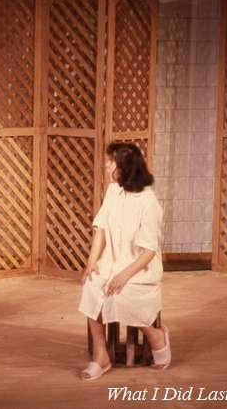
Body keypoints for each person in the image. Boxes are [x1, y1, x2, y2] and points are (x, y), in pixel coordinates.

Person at [78, 142, 170, 380]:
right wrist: (91, 261)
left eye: (111, 162)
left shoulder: (148, 202)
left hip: (139, 265)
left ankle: (156, 336)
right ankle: (101, 355)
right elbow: (101, 228)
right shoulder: (113, 191)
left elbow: (149, 250)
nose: (106, 165)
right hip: (112, 259)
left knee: (123, 293)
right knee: (93, 285)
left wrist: (123, 275)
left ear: (124, 168)